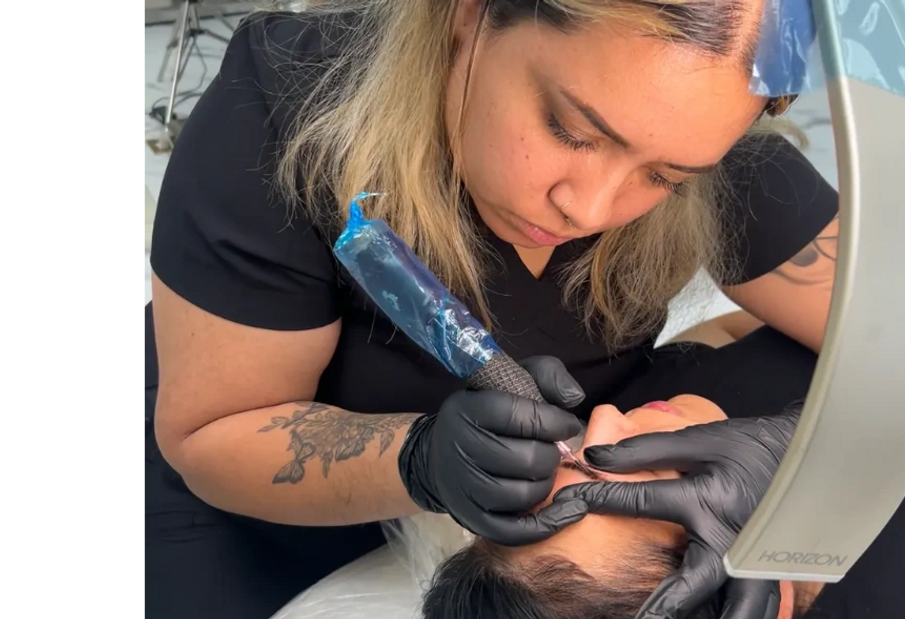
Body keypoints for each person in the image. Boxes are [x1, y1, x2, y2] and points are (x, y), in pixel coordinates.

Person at [142, 0, 849, 617]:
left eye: (663, 176)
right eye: (572, 131)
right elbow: (215, 431)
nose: (591, 209)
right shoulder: (290, 110)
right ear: (472, 11)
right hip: (252, 479)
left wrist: (788, 456)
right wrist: (419, 460)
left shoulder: (704, 144)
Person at [418, 393, 823, 619]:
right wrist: (828, 436)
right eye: (646, 481)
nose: (605, 413)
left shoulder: (681, 391)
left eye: (569, 455)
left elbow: (731, 334)